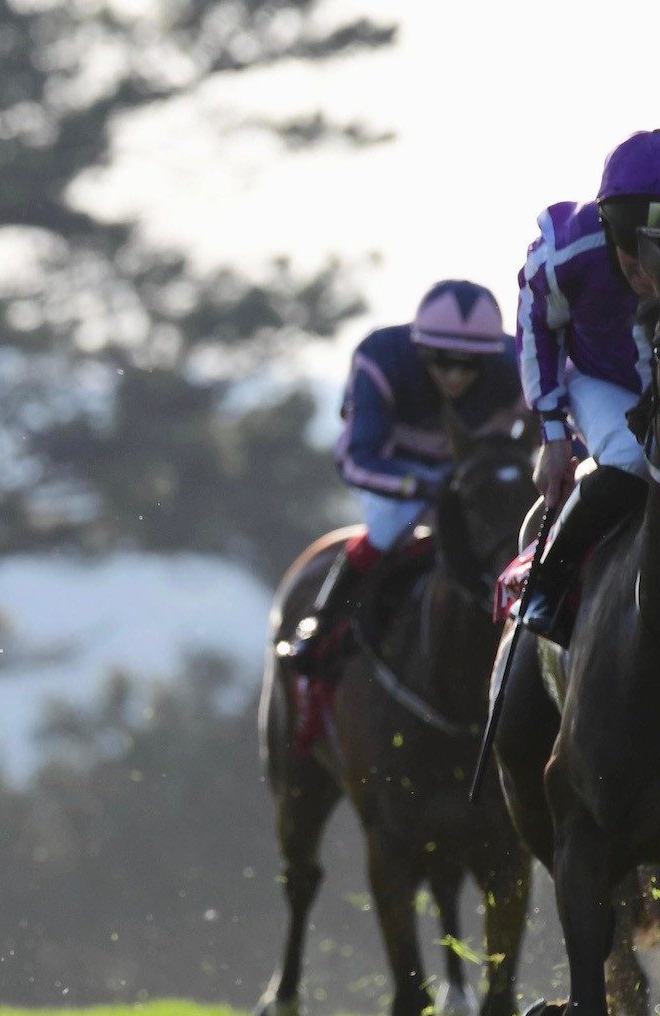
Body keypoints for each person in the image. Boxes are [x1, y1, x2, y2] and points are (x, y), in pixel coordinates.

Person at [278, 280, 525, 673]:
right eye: (443, 360)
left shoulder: (516, 364)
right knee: (390, 523)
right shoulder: (381, 358)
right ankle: (321, 626)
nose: (456, 375)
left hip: (467, 474)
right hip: (395, 474)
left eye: (470, 363)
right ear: (421, 348)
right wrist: (421, 486)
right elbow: (358, 459)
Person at [514, 129, 660, 642]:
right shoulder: (565, 252)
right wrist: (553, 436)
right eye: (628, 233)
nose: (644, 262)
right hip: (601, 381)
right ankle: (545, 591)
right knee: (630, 457)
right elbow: (538, 327)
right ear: (604, 221)